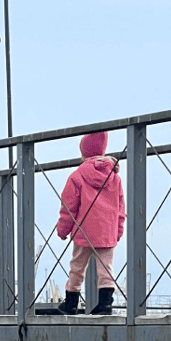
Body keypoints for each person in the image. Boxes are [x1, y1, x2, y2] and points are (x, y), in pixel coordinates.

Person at [50, 131, 125, 315]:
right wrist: (118, 230)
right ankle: (105, 304)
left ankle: (71, 303)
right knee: (106, 268)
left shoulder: (77, 175)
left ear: (84, 152)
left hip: (83, 229)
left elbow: (69, 206)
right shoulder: (114, 177)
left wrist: (62, 230)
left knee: (77, 267)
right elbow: (120, 207)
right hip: (107, 229)